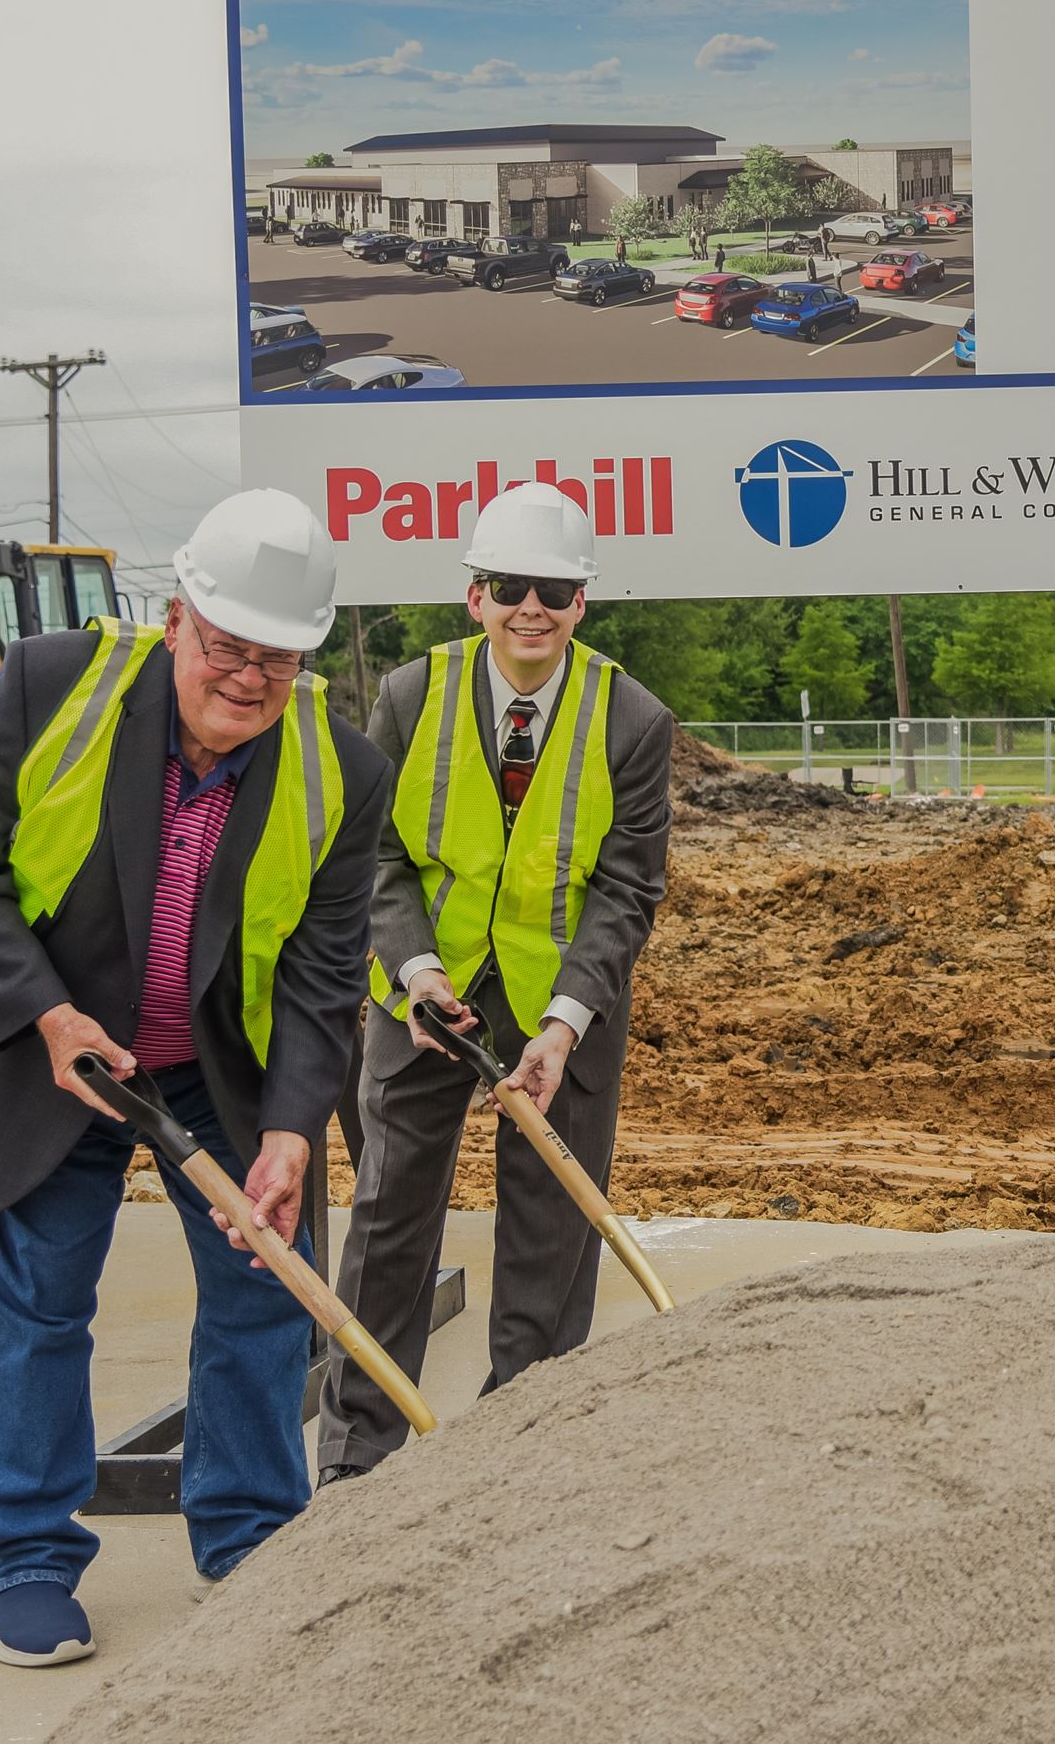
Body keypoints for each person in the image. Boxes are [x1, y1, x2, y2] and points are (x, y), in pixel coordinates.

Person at [0, 491, 391, 1667]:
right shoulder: (47, 685)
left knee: (262, 1295)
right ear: (178, 618)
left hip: (216, 1069)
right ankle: (26, 1553)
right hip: (55, 1054)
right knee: (38, 1301)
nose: (247, 677)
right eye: (227, 646)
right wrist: (44, 1016)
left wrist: (290, 1131)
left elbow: (326, 971)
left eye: (276, 659)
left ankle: (249, 1541)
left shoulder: (343, 763)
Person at [317, 483, 673, 1483]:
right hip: (425, 996)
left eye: (552, 589)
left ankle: (524, 1453)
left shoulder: (632, 719)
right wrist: (416, 971)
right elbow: (373, 858)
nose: (531, 607)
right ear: (473, 596)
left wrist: (563, 1023)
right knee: (389, 1217)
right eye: (509, 586)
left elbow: (625, 890)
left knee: (551, 1237)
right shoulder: (407, 695)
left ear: (581, 603)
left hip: (565, 1006)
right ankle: (359, 1457)